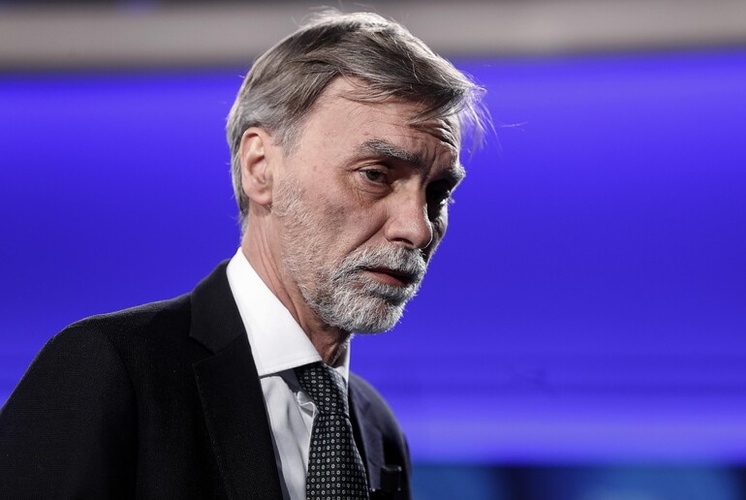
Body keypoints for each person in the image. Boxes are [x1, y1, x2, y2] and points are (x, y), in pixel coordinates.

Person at [0, 10, 484, 499]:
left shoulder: (377, 428)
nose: (417, 228)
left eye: (438, 194)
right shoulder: (108, 370)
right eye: (375, 174)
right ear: (260, 168)